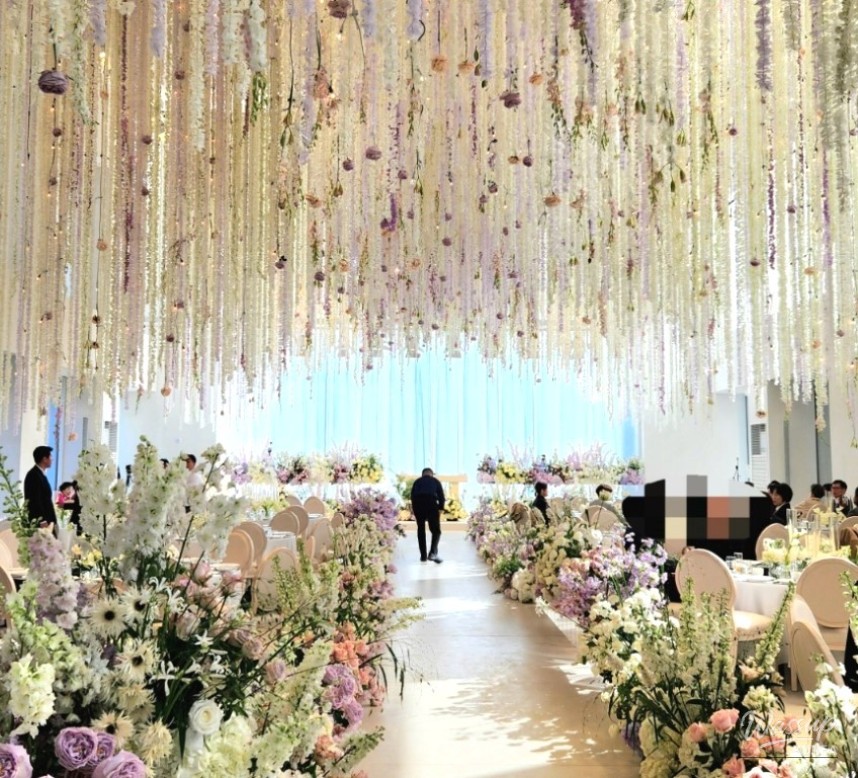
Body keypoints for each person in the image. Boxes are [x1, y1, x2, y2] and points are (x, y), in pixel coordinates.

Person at [410, 467, 445, 563]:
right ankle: (432, 553)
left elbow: (412, 496)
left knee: (421, 530)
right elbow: (441, 495)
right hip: (431, 504)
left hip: (418, 505)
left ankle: (423, 556)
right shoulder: (435, 481)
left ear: (422, 474)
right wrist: (441, 508)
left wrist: (414, 509)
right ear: (431, 474)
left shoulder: (417, 482)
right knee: (436, 531)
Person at [23, 445, 56, 529]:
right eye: (50, 456)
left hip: (46, 520)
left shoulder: (40, 474)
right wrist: (42, 520)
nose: (52, 459)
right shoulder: (33, 475)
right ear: (44, 459)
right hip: (41, 523)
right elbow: (35, 500)